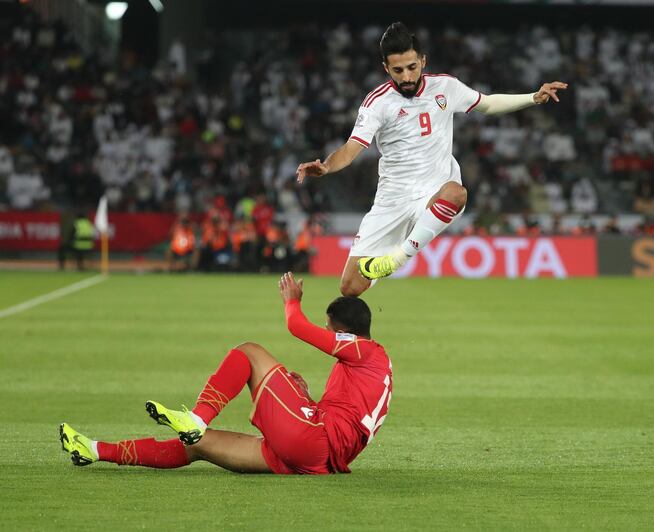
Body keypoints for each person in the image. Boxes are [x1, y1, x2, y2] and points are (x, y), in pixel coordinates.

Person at [296, 22, 567, 296]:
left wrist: (533, 97)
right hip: (393, 198)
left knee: (457, 193)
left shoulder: (446, 87)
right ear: (386, 68)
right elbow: (352, 147)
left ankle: (396, 260)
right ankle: (383, 269)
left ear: (423, 60)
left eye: (412, 67)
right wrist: (327, 165)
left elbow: (488, 104)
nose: (406, 76)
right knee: (349, 288)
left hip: (435, 190)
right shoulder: (377, 102)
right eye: (398, 70)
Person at [59, 272, 393, 475]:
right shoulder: (371, 367)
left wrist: (292, 301)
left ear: (345, 332)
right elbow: (347, 422)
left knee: (248, 351)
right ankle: (95, 449)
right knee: (198, 446)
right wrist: (305, 399)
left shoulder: (365, 349)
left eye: (330, 328)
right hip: (316, 460)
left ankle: (197, 417)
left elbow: (295, 325)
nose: (327, 332)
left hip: (314, 440)